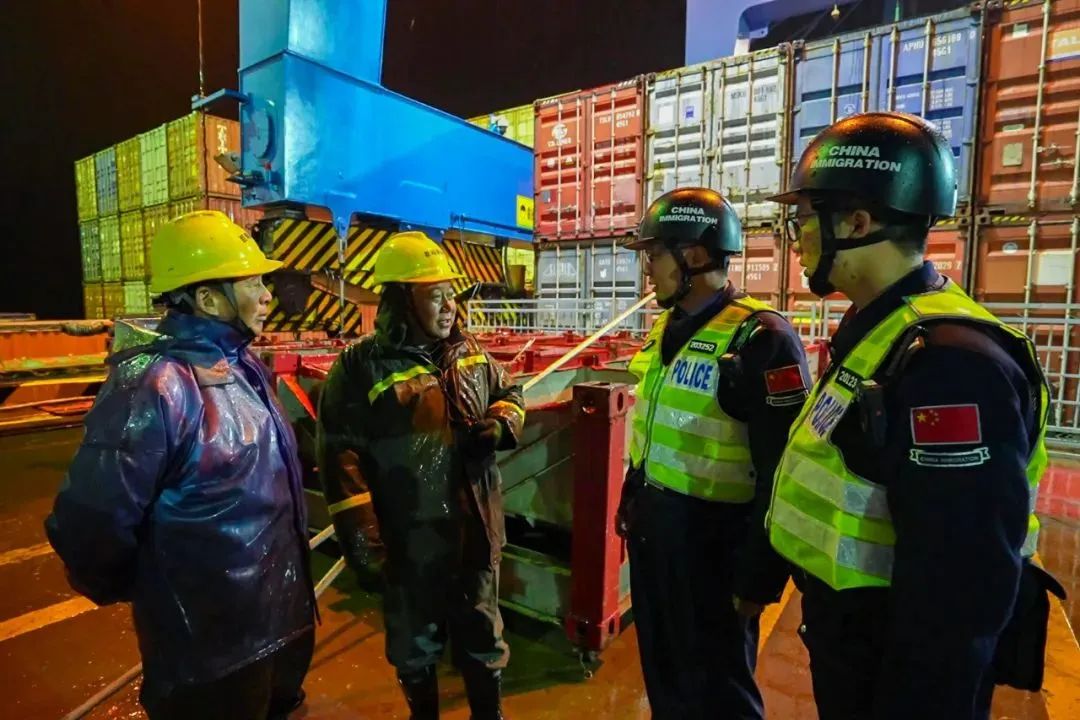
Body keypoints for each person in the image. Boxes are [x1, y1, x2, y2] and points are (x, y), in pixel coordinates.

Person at [765, 111, 1057, 719]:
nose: (797, 238)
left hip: (902, 676)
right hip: (856, 644)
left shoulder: (951, 364)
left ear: (857, 222)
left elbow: (962, 585)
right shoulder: (882, 328)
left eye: (805, 219)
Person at [45, 210, 316, 719]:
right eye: (252, 283)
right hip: (208, 654)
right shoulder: (154, 383)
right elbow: (92, 517)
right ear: (209, 299)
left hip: (277, 627)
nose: (267, 296)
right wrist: (146, 589)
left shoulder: (243, 366)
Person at [316, 230, 525, 720]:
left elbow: (510, 393)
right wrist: (366, 549)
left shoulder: (471, 352)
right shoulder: (359, 368)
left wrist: (501, 423)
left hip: (475, 532)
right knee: (415, 644)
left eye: (451, 294)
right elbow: (341, 462)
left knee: (483, 634)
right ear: (401, 301)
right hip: (408, 544)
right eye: (435, 296)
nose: (450, 306)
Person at [616, 188, 809, 719]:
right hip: (657, 533)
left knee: (721, 689)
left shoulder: (761, 338)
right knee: (666, 672)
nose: (647, 269)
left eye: (655, 255)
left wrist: (760, 576)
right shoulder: (666, 327)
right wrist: (633, 498)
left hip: (716, 547)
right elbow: (655, 425)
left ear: (695, 255)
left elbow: (782, 469)